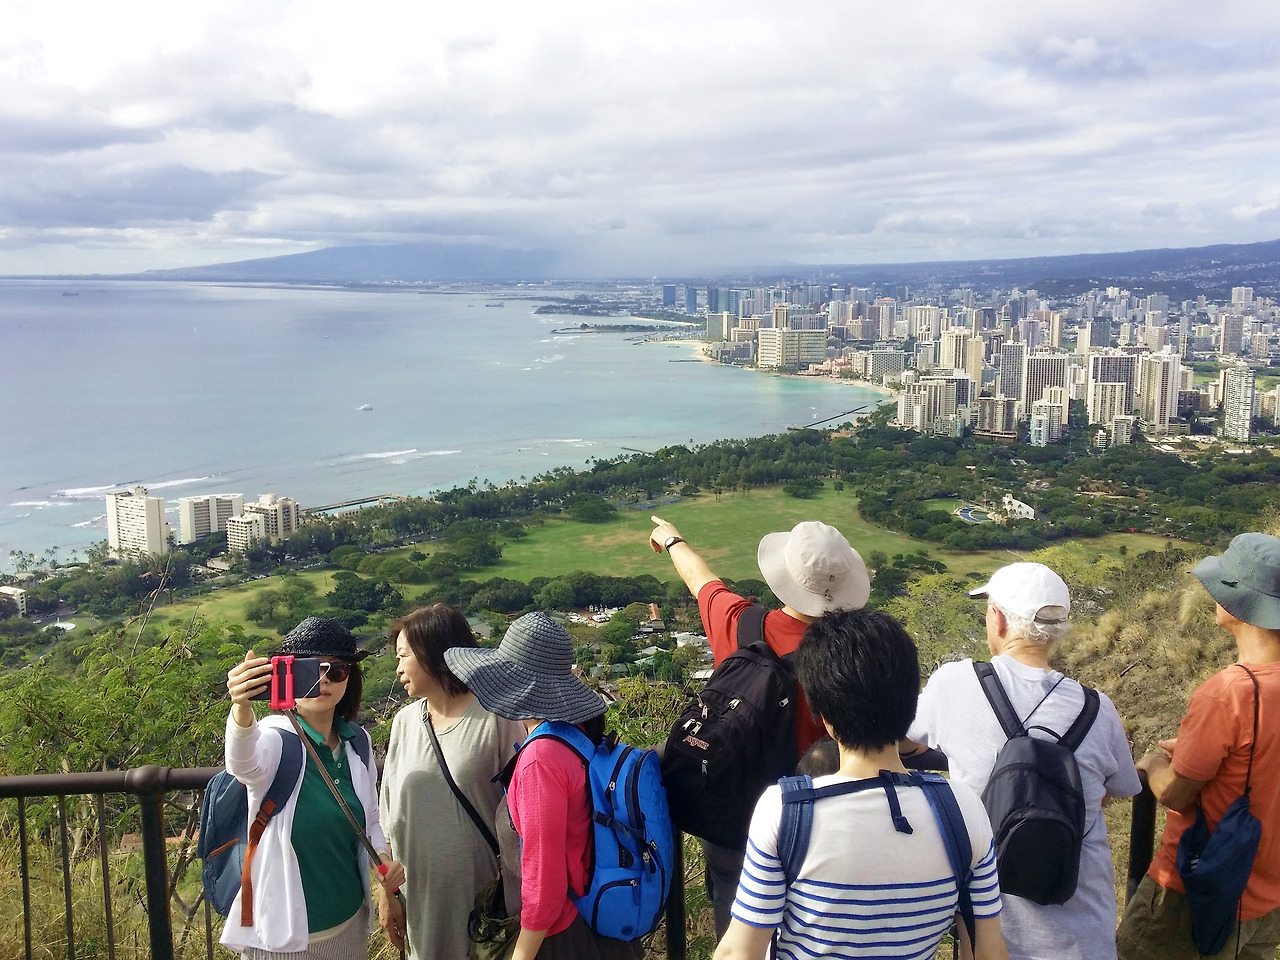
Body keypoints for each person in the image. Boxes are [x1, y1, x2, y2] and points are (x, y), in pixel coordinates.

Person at [714, 608, 1008, 960]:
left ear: (822, 713)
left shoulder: (786, 811)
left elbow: (739, 952)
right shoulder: (963, 809)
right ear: (910, 703)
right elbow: (989, 948)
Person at [903, 562, 1141, 960]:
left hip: (995, 937)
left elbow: (898, 737)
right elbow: (1116, 789)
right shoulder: (1099, 709)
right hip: (1087, 935)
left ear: (996, 619)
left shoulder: (956, 683)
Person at [648, 515, 870, 936]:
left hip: (736, 812)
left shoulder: (742, 623)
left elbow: (700, 580)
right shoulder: (851, 654)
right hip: (816, 820)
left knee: (736, 925)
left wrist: (671, 537)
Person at [1117, 533, 1280, 960]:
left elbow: (1175, 792)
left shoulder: (1229, 692)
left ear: (1239, 604)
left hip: (1195, 886)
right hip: (1267, 893)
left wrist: (1154, 764)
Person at [444, 611, 643, 960]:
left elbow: (544, 882)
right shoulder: (573, 736)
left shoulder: (541, 759)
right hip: (595, 920)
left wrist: (522, 954)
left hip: (562, 937)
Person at [220, 617, 404, 958]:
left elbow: (370, 820)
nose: (323, 680)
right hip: (282, 935)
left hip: (349, 923)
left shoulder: (358, 743)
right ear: (286, 676)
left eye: (336, 670)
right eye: (310, 670)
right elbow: (243, 764)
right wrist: (242, 708)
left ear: (351, 677)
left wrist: (383, 863)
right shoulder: (276, 739)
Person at [377, 604, 526, 958]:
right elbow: (387, 818)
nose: (398, 668)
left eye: (404, 655)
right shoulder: (405, 723)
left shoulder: (497, 718)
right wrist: (387, 892)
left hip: (483, 900)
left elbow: (526, 812)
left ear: (434, 653)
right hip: (420, 899)